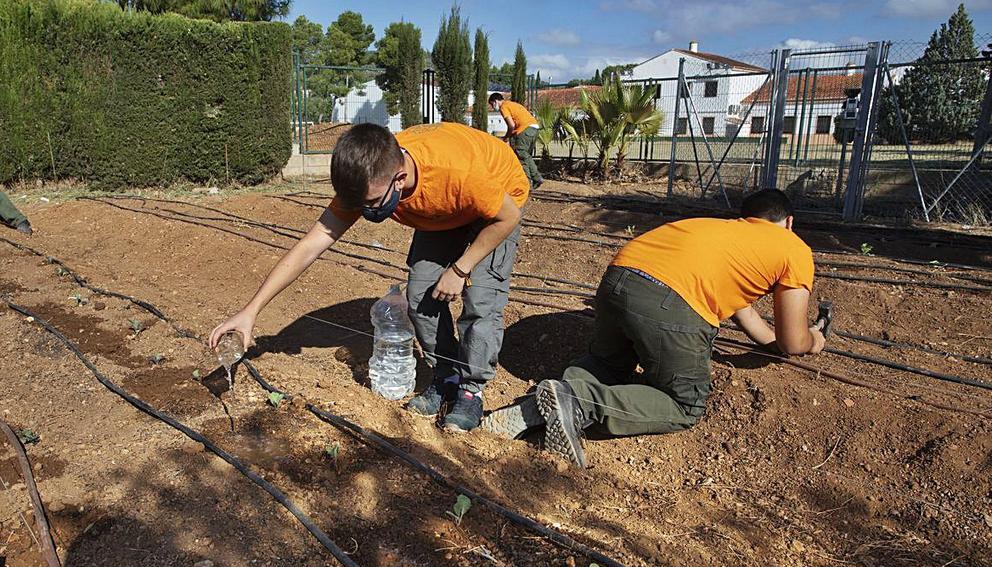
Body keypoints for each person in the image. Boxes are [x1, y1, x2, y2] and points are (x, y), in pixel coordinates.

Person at [210, 122, 529, 431]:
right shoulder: (366, 178)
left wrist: (460, 269)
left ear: (400, 178)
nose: (365, 211)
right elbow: (311, 245)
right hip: (445, 210)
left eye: (373, 203)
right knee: (420, 295)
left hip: (498, 204)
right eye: (359, 205)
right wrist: (250, 312)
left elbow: (507, 217)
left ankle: (471, 391)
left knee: (481, 303)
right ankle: (446, 376)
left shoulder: (458, 172)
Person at [482, 188, 827, 467]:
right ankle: (578, 401)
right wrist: (815, 339)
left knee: (607, 364)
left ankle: (543, 406)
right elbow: (793, 341)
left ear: (746, 217)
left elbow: (749, 317)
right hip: (668, 301)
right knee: (684, 405)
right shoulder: (792, 248)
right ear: (789, 221)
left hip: (619, 277)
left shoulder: (723, 233)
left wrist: (771, 343)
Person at [489, 93, 542, 190]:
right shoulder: (512, 104)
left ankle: (526, 185)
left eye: (492, 104)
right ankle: (537, 178)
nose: (493, 107)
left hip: (524, 129)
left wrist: (506, 138)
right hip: (534, 129)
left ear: (496, 101)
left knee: (521, 156)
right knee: (526, 156)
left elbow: (511, 125)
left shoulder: (503, 107)